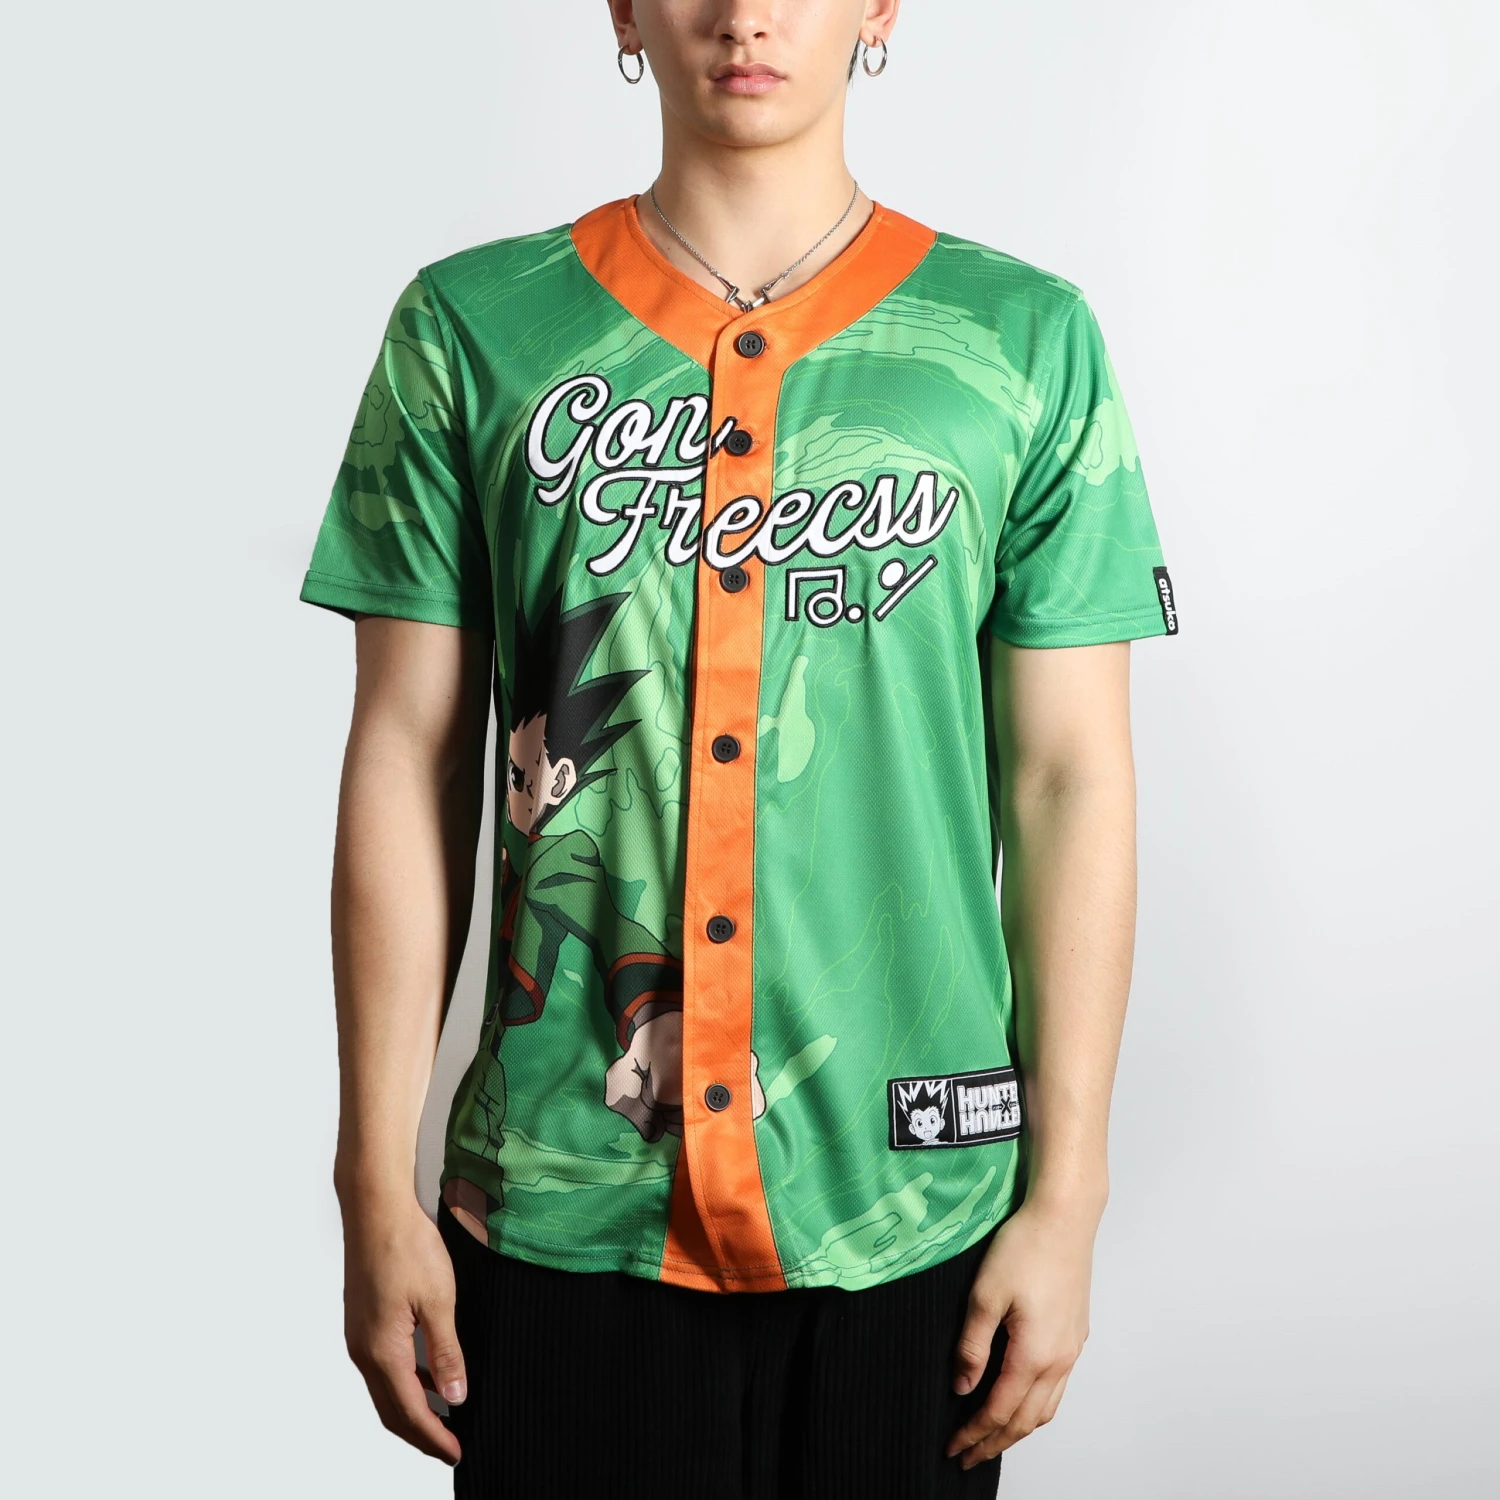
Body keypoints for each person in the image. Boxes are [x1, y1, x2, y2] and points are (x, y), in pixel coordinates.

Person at [298, 2, 1179, 1494]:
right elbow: (408, 756)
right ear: (625, 8)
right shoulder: (470, 328)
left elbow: (1067, 781)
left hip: (913, 1211)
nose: (748, 13)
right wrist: (369, 1180)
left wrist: (1070, 1192)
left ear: (880, 7)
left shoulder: (1024, 342)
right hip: (563, 1214)